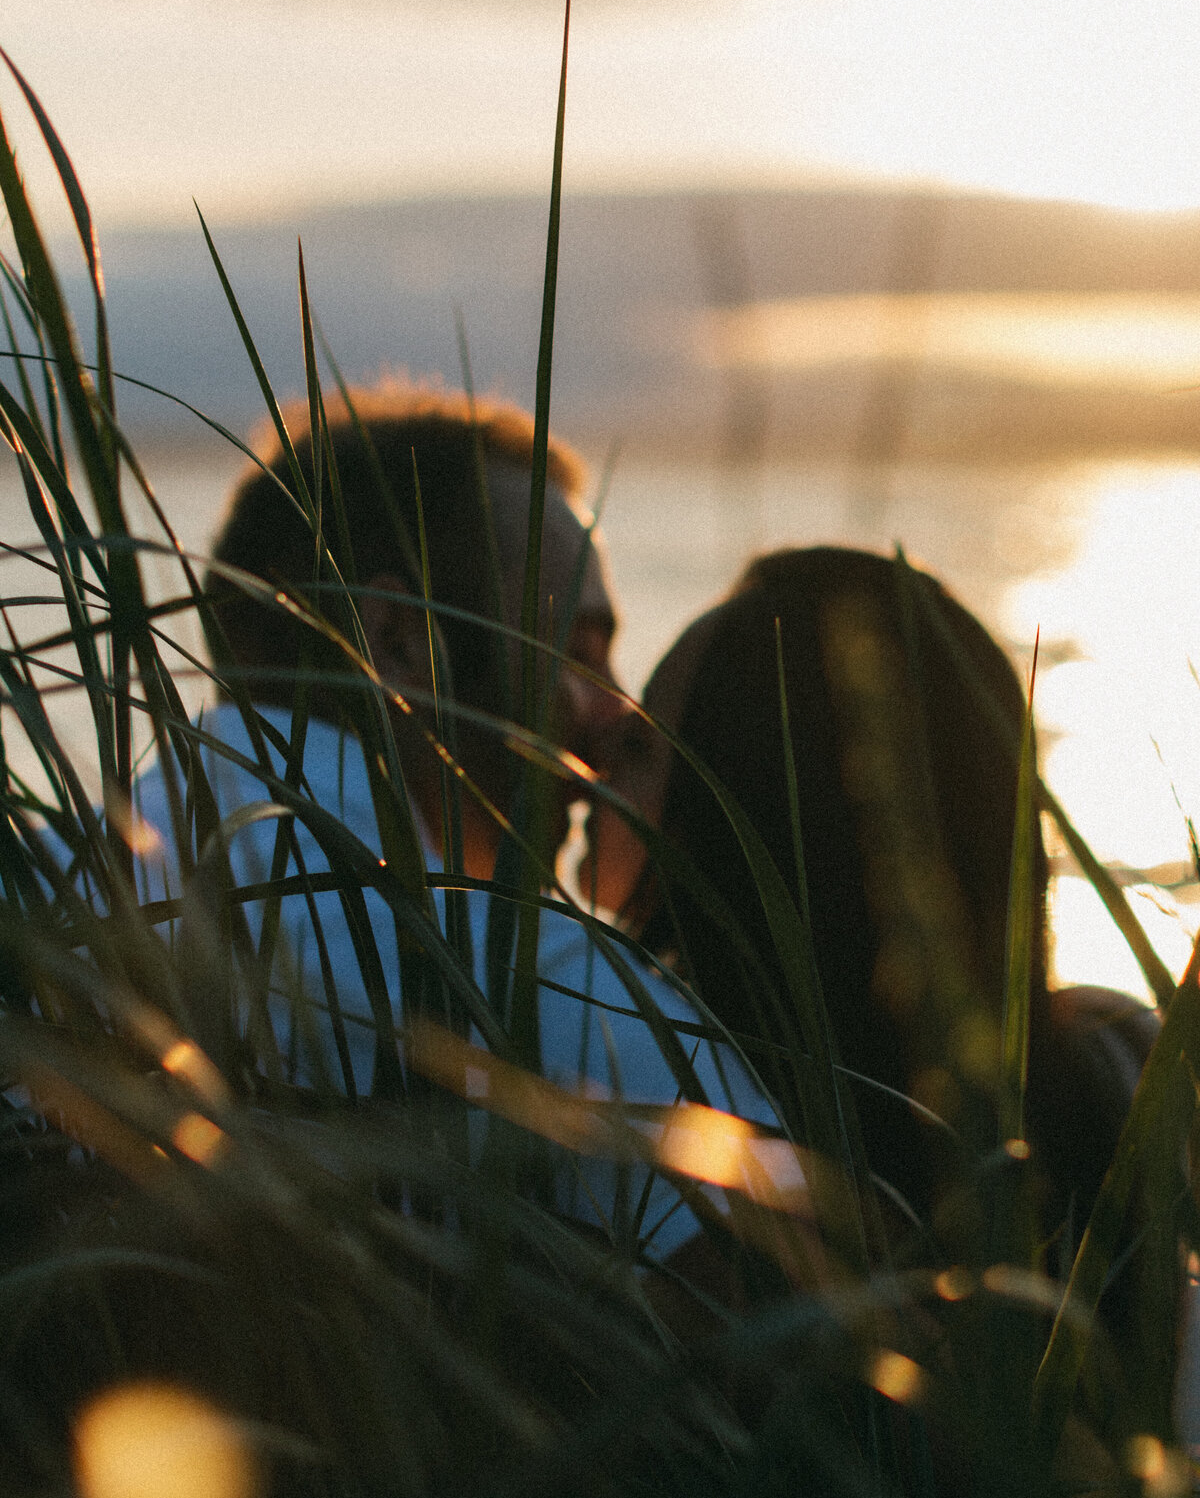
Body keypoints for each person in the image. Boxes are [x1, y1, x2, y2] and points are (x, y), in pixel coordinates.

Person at [126, 382, 778, 1259]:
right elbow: (818, 1332)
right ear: (398, 639)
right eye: (576, 653)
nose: (620, 713)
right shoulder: (549, 991)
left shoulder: (58, 889)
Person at [585, 545, 1159, 1250]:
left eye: (641, 748)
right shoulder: (1124, 1073)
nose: (591, 767)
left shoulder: (675, 1124)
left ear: (740, 820)